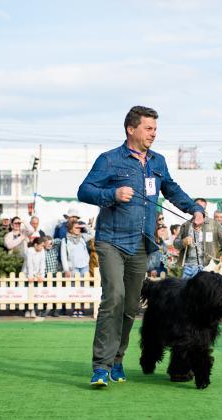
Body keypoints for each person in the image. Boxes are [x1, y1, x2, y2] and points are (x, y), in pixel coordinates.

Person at [77, 105, 205, 387]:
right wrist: (112, 193)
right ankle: (100, 366)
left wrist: (194, 207)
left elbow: (171, 189)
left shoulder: (157, 162)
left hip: (141, 243)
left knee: (130, 305)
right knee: (114, 298)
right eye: (148, 128)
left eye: (155, 129)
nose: (153, 134)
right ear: (131, 129)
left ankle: (118, 360)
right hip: (111, 240)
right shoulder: (109, 160)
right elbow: (84, 190)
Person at [175, 198, 222, 278]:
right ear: (192, 207)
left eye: (203, 208)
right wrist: (183, 241)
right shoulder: (186, 225)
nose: (200, 210)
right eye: (198, 207)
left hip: (206, 267)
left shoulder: (213, 224)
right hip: (188, 267)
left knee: (205, 290)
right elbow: (176, 244)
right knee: (187, 290)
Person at [22, 237, 46, 318]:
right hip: (27, 274)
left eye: (43, 246)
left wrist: (41, 275)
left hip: (37, 274)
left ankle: (33, 310)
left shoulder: (42, 251)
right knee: (27, 293)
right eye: (41, 246)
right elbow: (29, 264)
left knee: (35, 293)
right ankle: (27, 310)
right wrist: (30, 276)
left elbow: (43, 264)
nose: (42, 247)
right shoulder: (29, 250)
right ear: (36, 245)